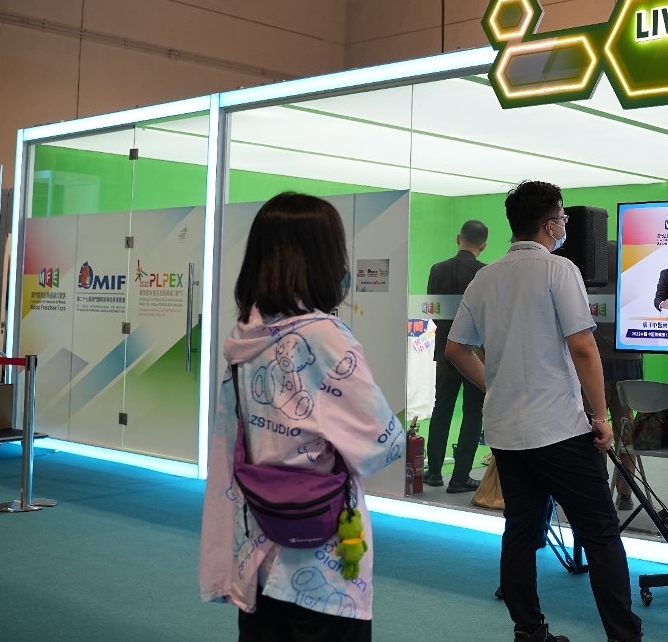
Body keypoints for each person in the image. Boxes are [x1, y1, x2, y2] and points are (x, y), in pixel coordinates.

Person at [445, 181, 643, 642]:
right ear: (551, 224)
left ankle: (529, 631)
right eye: (563, 218)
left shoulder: (485, 277)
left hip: (506, 432)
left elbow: (456, 349)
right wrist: (602, 417)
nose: (566, 225)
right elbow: (583, 347)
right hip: (558, 429)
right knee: (600, 533)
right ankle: (623, 636)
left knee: (520, 531)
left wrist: (495, 384)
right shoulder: (559, 269)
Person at [199, 192, 402, 642]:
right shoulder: (326, 338)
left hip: (257, 541)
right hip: (322, 556)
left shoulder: (245, 335)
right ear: (322, 258)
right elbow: (383, 443)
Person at [423, 220, 488, 493]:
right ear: (484, 246)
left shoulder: (437, 269)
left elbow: (433, 310)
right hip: (474, 352)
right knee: (472, 414)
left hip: (444, 351)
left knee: (441, 410)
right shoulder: (485, 272)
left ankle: (434, 472)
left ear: (458, 238)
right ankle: (461, 476)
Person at [597, 239, 641, 511]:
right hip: (629, 365)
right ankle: (625, 493)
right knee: (626, 427)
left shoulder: (588, 290)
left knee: (594, 426)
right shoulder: (633, 291)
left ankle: (598, 487)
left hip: (596, 366)